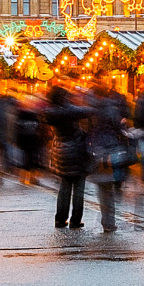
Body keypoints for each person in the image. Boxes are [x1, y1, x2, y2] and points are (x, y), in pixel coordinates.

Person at [83, 74, 130, 232]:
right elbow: (118, 128)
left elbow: (84, 129)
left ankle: (107, 221)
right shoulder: (111, 108)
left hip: (94, 150)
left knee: (102, 188)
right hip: (110, 149)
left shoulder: (88, 109)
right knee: (108, 189)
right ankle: (109, 222)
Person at [42, 85, 91, 228]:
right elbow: (86, 112)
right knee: (79, 188)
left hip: (59, 149)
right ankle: (75, 220)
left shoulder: (50, 112)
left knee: (64, 186)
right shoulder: (68, 111)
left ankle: (60, 218)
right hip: (75, 150)